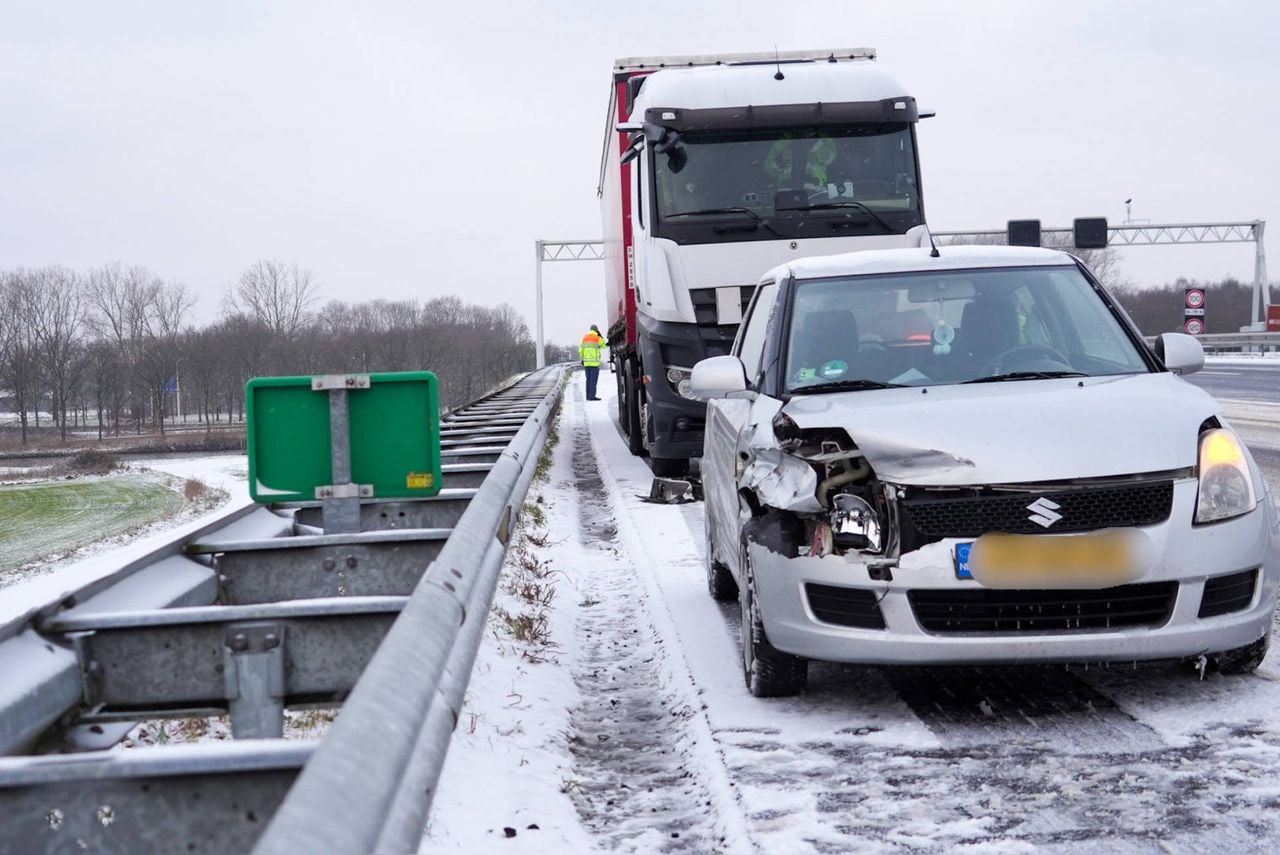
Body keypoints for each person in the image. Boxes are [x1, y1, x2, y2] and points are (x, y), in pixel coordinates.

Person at [580, 325, 606, 400]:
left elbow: (581, 349)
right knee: (593, 381)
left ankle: (588, 396)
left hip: (586, 363)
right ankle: (592, 396)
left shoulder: (585, 338)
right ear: (596, 330)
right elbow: (604, 346)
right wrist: (601, 336)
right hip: (594, 363)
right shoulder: (597, 338)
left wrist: (582, 359)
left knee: (588, 380)